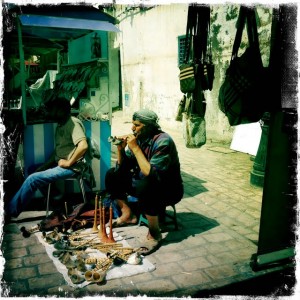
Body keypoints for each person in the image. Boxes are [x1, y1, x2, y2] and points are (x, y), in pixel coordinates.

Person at [105, 108, 184, 255]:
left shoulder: (163, 141)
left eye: (137, 125)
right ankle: (128, 215)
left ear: (148, 126)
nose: (132, 128)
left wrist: (134, 148)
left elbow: (151, 174)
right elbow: (122, 168)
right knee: (112, 174)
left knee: (147, 183)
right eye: (133, 124)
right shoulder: (140, 138)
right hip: (146, 184)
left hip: (169, 189)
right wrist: (121, 149)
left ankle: (154, 233)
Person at [5, 98, 88, 219]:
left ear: (62, 110)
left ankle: (9, 212)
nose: (51, 113)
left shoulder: (72, 123)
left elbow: (83, 146)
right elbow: (58, 152)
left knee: (33, 179)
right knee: (34, 170)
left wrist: (69, 162)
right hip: (61, 163)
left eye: (54, 110)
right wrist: (43, 167)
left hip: (73, 167)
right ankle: (56, 197)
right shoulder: (61, 125)